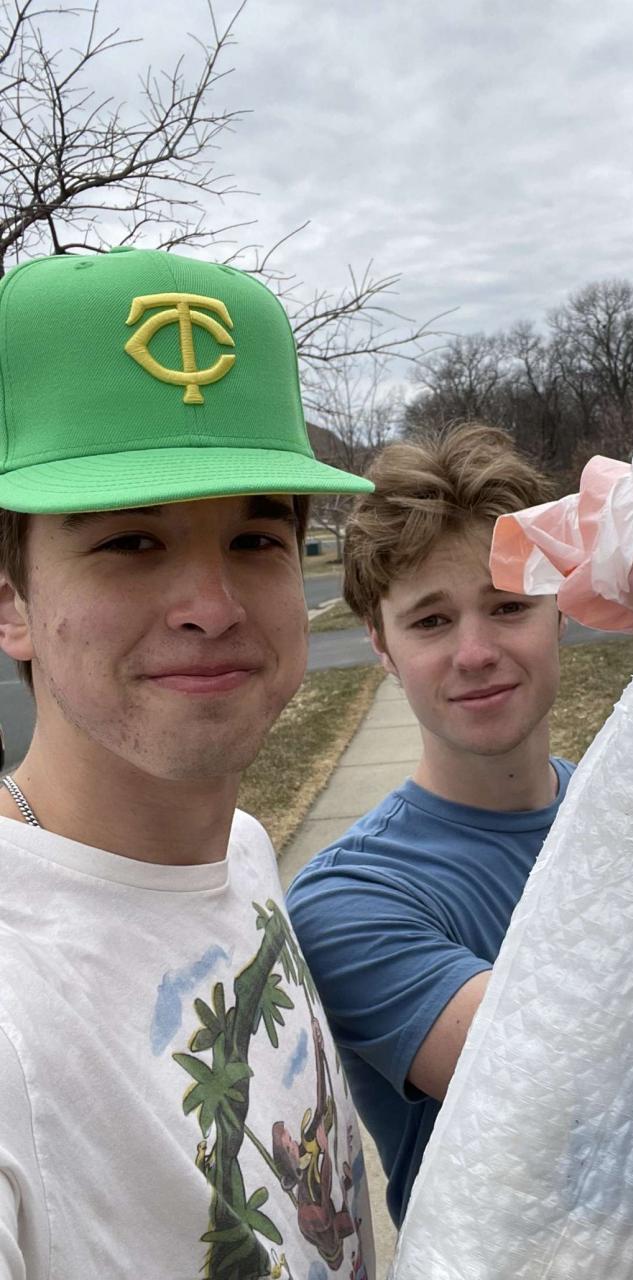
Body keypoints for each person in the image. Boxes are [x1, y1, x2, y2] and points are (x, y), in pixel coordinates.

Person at [0, 247, 378, 1279]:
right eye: (131, 542)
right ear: (12, 601)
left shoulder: (242, 852)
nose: (212, 606)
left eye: (255, 539)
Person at [286, 423, 633, 1227]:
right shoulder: (349, 902)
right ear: (381, 646)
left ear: (560, 612)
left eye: (508, 606)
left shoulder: (625, 815)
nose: (475, 651)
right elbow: (586, 1092)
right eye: (430, 621)